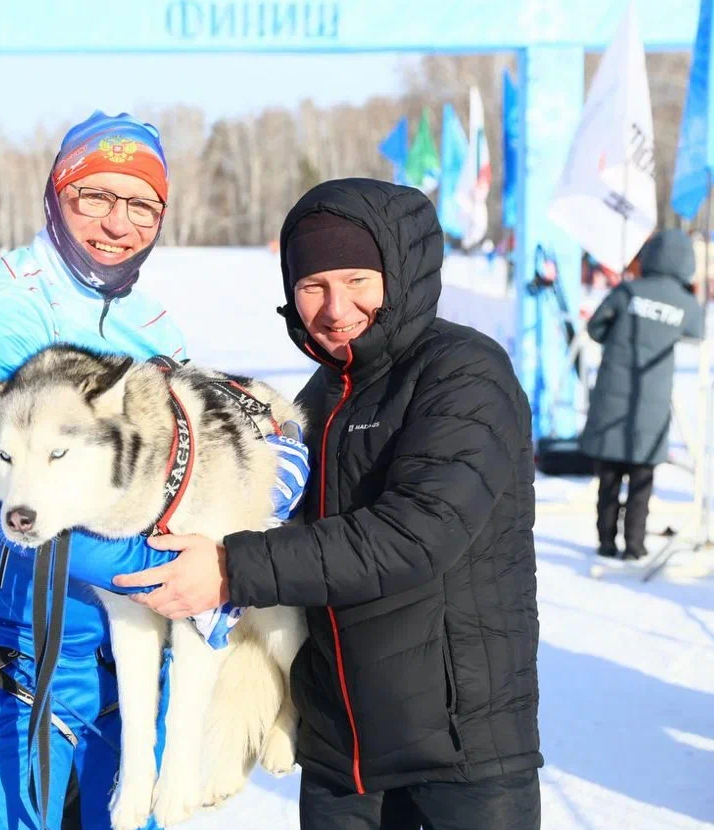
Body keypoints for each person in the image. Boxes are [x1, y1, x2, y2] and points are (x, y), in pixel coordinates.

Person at [115, 178, 543, 830]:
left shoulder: (462, 374)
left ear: (400, 274)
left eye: (356, 279)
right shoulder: (323, 392)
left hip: (459, 753)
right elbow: (286, 526)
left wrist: (231, 567)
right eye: (312, 286)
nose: (335, 307)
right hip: (341, 750)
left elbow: (416, 536)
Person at [0, 111, 307, 830]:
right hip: (22, 660)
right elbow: (26, 508)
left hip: (130, 661)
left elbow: (188, 478)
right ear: (54, 197)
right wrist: (208, 571)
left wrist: (268, 448)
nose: (117, 223)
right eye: (93, 196)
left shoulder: (150, 325)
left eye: (141, 205)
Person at [578, 229, 703, 559]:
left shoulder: (628, 291)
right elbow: (698, 332)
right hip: (652, 401)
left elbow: (595, 328)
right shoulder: (686, 304)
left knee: (608, 478)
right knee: (642, 479)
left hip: (611, 397)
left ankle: (606, 541)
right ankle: (635, 545)